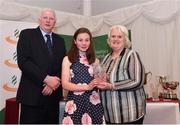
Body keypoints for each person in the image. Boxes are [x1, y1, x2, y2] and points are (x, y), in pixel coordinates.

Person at [16, 8, 66, 124]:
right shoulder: (26, 35)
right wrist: (46, 79)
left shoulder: (60, 41)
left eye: (51, 18)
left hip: (53, 97)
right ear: (39, 19)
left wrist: (53, 84)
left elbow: (63, 65)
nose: (48, 21)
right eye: (45, 17)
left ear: (55, 22)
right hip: (31, 97)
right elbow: (24, 62)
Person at [96, 25, 146, 124]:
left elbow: (137, 81)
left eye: (119, 36)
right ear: (109, 39)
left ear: (125, 39)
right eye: (113, 36)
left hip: (130, 115)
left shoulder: (131, 55)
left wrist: (111, 86)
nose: (116, 39)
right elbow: (104, 78)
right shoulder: (106, 58)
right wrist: (102, 79)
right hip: (110, 115)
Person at [61, 27, 104, 124]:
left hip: (93, 101)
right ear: (75, 41)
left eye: (87, 40)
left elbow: (98, 81)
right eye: (80, 40)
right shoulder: (67, 59)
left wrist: (103, 78)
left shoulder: (95, 60)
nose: (84, 43)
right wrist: (87, 87)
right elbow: (65, 84)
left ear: (90, 41)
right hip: (75, 102)